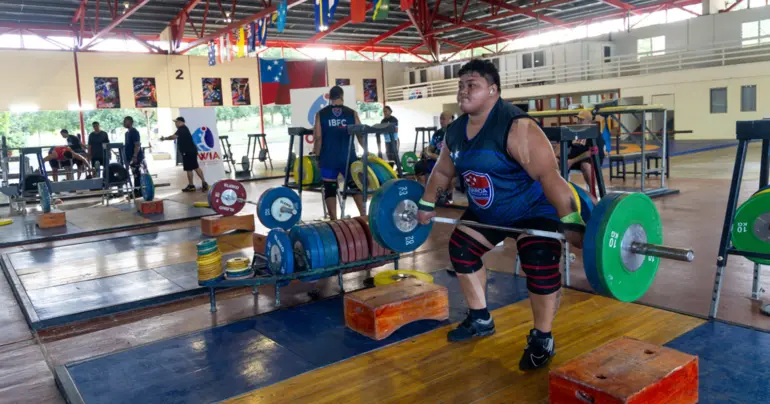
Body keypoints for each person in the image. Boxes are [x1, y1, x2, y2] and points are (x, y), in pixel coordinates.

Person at [416, 59, 584, 370]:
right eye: (461, 85)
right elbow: (441, 171)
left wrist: (572, 222)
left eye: (472, 85)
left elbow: (551, 177)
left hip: (533, 210)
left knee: (539, 262)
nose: (463, 91)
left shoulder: (517, 127)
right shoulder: (453, 132)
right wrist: (426, 204)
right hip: (490, 212)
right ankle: (480, 318)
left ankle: (542, 338)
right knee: (462, 250)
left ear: (493, 90)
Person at [312, 86, 366, 220]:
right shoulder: (352, 113)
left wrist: (317, 157)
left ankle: (334, 220)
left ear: (330, 98)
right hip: (348, 158)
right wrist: (367, 151)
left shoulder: (321, 114)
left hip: (328, 158)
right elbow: (360, 134)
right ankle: (364, 216)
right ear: (342, 96)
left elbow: (318, 138)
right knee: (355, 186)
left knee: (329, 189)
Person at [555, 110, 607, 200]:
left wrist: (572, 161)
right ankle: (559, 193)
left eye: (581, 120)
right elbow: (561, 146)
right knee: (556, 161)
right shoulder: (574, 131)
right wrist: (556, 156)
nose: (578, 122)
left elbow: (591, 152)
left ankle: (593, 195)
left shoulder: (595, 133)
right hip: (573, 159)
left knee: (585, 165)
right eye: (578, 119)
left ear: (589, 122)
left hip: (589, 160)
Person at [414, 112, 456, 204]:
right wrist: (427, 150)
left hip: (449, 161)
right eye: (440, 118)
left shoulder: (456, 133)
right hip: (435, 161)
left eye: (443, 118)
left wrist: (433, 155)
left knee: (453, 170)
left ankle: (448, 195)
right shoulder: (438, 133)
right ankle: (424, 193)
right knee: (419, 166)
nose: (441, 121)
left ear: (451, 119)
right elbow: (431, 147)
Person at [161, 117, 209, 192]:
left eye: (176, 122)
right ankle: (193, 185)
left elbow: (174, 137)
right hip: (190, 151)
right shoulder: (183, 129)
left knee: (193, 168)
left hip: (188, 152)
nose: (175, 124)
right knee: (191, 168)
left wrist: (164, 138)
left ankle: (200, 183)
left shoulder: (182, 129)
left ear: (180, 122)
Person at [123, 116, 144, 198]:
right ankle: (136, 191)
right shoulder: (127, 133)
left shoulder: (134, 132)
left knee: (137, 175)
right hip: (129, 158)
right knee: (134, 174)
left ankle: (138, 192)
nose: (124, 123)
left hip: (136, 158)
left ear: (130, 122)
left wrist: (135, 156)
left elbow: (137, 145)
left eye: (125, 121)